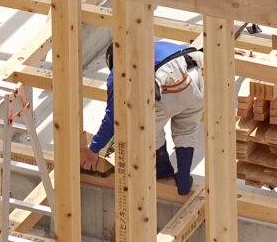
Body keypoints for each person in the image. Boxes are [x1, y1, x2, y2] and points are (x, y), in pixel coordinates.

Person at [79, 41, 203, 197]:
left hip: (170, 76)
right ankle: (184, 178)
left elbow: (113, 117)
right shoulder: (149, 48)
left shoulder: (121, 68)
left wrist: (94, 149)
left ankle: (164, 172)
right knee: (187, 129)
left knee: (146, 127)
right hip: (200, 70)